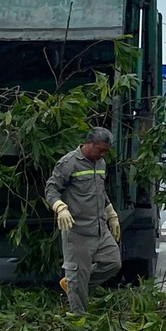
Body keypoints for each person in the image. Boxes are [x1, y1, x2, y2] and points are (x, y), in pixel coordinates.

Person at [45, 127, 122, 314]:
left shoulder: (100, 163)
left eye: (105, 151)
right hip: (78, 230)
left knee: (113, 262)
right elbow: (51, 189)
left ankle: (74, 284)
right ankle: (78, 320)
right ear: (88, 144)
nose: (102, 154)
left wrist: (111, 212)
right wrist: (60, 207)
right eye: (100, 150)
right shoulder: (69, 163)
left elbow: (99, 191)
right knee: (78, 277)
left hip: (99, 228)